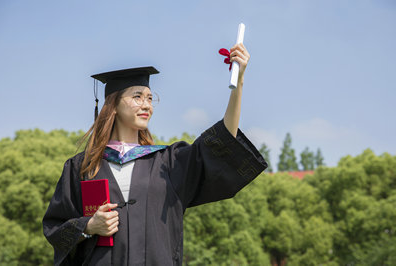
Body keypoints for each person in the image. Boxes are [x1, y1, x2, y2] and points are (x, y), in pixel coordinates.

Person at [42, 43, 267, 265]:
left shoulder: (169, 162)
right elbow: (55, 228)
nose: (146, 105)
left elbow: (222, 143)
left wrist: (238, 83)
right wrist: (89, 226)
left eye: (150, 98)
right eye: (137, 97)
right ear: (114, 105)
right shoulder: (81, 167)